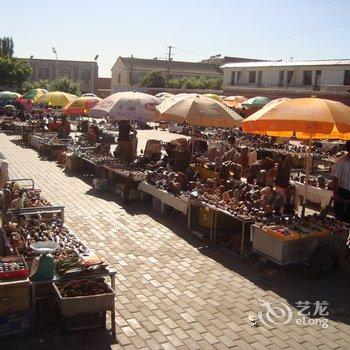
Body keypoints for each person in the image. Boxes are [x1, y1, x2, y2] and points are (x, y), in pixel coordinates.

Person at [332, 140, 350, 223]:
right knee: (340, 220)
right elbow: (335, 178)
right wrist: (336, 195)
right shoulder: (340, 161)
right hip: (342, 192)